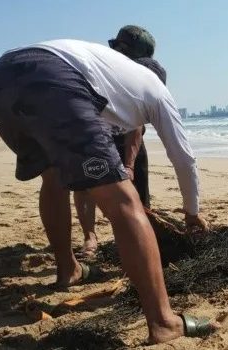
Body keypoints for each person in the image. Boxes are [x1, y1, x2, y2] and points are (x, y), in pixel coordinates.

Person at [0, 39, 213, 343]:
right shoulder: (156, 90)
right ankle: (164, 322)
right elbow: (184, 158)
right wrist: (192, 212)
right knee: (125, 202)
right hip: (50, 79)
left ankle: (68, 269)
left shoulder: (110, 75)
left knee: (52, 177)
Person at [74, 25, 168, 257]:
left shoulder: (144, 76)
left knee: (138, 187)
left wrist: (129, 165)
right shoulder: (96, 71)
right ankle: (90, 236)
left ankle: (140, 233)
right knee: (86, 183)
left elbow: (136, 125)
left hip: (126, 135)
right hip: (91, 132)